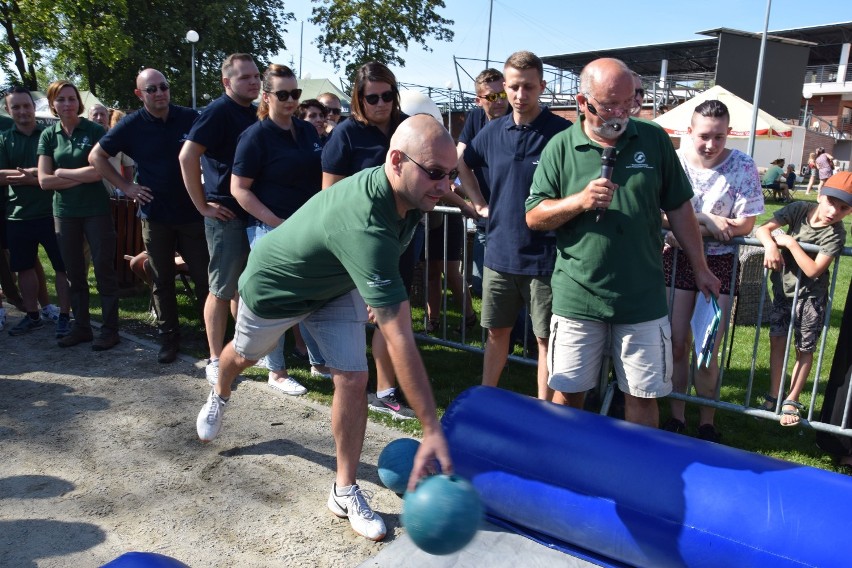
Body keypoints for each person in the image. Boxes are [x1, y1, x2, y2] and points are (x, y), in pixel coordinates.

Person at [195, 114, 455, 542]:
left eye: (451, 175)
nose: (444, 186)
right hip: (276, 287)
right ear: (396, 161)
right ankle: (219, 390)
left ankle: (344, 489)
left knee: (353, 378)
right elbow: (400, 336)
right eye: (435, 173)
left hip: (333, 287)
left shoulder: (408, 194)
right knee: (243, 358)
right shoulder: (366, 219)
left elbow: (384, 259)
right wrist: (430, 428)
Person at [525, 57, 720, 427]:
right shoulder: (560, 147)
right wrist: (580, 200)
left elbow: (679, 207)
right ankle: (570, 469)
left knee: (644, 398)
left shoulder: (653, 139)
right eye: (610, 105)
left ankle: (637, 479)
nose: (622, 112)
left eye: (630, 102)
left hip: (642, 298)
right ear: (583, 103)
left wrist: (701, 267)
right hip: (578, 296)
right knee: (568, 394)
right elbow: (534, 215)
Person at [457, 51, 571, 402]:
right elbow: (462, 163)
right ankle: (486, 402)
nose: (521, 95)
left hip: (545, 257)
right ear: (504, 87)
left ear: (542, 87)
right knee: (495, 332)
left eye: (529, 87)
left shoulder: (562, 134)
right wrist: (477, 203)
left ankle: (543, 412)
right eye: (515, 87)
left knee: (544, 340)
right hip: (499, 253)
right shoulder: (491, 131)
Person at [90, 68, 210, 364]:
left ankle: (213, 339)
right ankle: (169, 338)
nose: (159, 93)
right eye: (152, 89)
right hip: (155, 215)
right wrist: (126, 187)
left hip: (192, 213)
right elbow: (96, 157)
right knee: (161, 279)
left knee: (205, 278)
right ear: (139, 94)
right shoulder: (131, 125)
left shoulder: (189, 117)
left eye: (163, 87)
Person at [660, 99, 763, 441]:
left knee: (707, 350)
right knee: (676, 344)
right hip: (675, 264)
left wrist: (687, 230)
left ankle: (707, 420)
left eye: (719, 137)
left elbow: (745, 224)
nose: (711, 144)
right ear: (689, 132)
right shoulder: (673, 162)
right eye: (704, 135)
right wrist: (706, 219)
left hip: (718, 263)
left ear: (728, 133)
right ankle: (677, 415)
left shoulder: (743, 165)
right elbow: (658, 214)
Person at [321, 62, 417, 419]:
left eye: (387, 95)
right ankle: (371, 384)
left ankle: (385, 387)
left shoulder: (407, 128)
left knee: (393, 313)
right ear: (358, 99)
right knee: (373, 314)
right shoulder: (345, 134)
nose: (381, 103)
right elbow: (329, 196)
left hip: (402, 237)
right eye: (371, 97)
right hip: (360, 242)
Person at [231, 63, 323, 395]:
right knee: (274, 299)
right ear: (267, 96)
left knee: (312, 293)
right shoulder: (254, 136)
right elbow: (239, 189)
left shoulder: (308, 131)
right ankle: (276, 370)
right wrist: (277, 224)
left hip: (307, 228)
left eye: (295, 93)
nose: (290, 100)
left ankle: (318, 361)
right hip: (269, 229)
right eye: (282, 94)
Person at [179, 53, 260, 384]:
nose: (253, 81)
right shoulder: (217, 111)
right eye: (245, 77)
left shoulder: (256, 112)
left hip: (253, 211)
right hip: (225, 213)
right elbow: (187, 156)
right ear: (227, 82)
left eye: (256, 76)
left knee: (246, 288)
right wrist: (202, 206)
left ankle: (240, 351)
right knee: (222, 289)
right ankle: (214, 357)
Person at [755, 172, 852, 426]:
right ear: (820, 196)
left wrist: (790, 242)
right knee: (777, 340)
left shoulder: (835, 234)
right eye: (832, 202)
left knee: (804, 348)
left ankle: (792, 399)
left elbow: (813, 270)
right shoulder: (799, 209)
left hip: (810, 298)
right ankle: (775, 394)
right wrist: (771, 246)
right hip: (783, 292)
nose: (834, 211)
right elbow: (763, 228)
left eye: (844, 208)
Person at [37, 80, 121, 350]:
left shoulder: (95, 129)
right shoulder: (49, 136)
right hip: (65, 212)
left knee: (104, 270)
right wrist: (78, 176)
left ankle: (109, 330)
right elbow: (44, 181)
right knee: (74, 273)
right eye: (61, 99)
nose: (67, 104)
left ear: (78, 102)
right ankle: (82, 327)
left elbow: (99, 171)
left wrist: (62, 173)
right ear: (53, 105)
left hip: (96, 210)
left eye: (71, 98)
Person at [0, 86, 71, 337]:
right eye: (15, 107)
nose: (22, 111)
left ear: (34, 106)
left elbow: (59, 171)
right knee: (24, 268)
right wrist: (38, 175)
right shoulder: (4, 139)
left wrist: (30, 177)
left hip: (54, 212)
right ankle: (32, 316)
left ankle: (64, 315)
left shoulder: (52, 135)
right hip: (17, 214)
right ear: (8, 110)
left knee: (63, 267)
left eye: (26, 105)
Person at [456, 68, 509, 297]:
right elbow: (460, 158)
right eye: (491, 97)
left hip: (513, 216)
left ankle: (517, 332)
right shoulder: (475, 118)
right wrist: (476, 202)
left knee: (508, 284)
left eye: (502, 95)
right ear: (479, 100)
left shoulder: (516, 118)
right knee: (480, 283)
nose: (498, 101)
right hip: (486, 216)